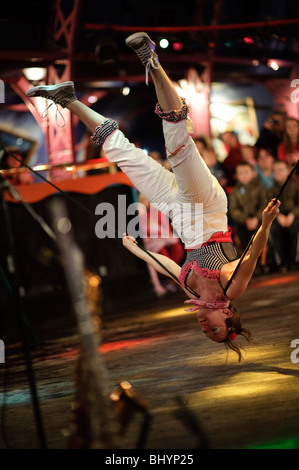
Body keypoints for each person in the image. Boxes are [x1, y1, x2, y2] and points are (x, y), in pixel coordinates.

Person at [26, 32, 281, 360]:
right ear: (228, 315)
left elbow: (168, 266)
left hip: (178, 212)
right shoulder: (231, 288)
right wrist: (266, 222)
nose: (206, 328)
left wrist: (138, 250)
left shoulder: (191, 288)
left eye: (206, 334)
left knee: (124, 156)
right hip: (205, 206)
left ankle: (67, 98)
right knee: (177, 144)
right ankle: (152, 61)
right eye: (215, 329)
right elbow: (250, 256)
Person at [267, 160, 299, 271]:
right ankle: (281, 262)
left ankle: (295, 260)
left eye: (280, 170)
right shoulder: (271, 190)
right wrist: (278, 215)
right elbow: (268, 206)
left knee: (296, 227)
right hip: (278, 216)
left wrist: (292, 214)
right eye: (274, 171)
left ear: (288, 171)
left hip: (294, 215)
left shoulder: (295, 187)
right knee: (272, 229)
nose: (277, 173)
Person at [228, 162, 268, 252]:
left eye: (246, 172)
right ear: (236, 175)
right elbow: (233, 209)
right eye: (240, 173)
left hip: (259, 220)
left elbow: (264, 204)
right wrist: (245, 219)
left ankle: (262, 262)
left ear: (253, 173)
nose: (243, 175)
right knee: (242, 238)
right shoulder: (235, 191)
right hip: (243, 222)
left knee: (260, 239)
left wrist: (257, 218)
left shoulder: (260, 187)